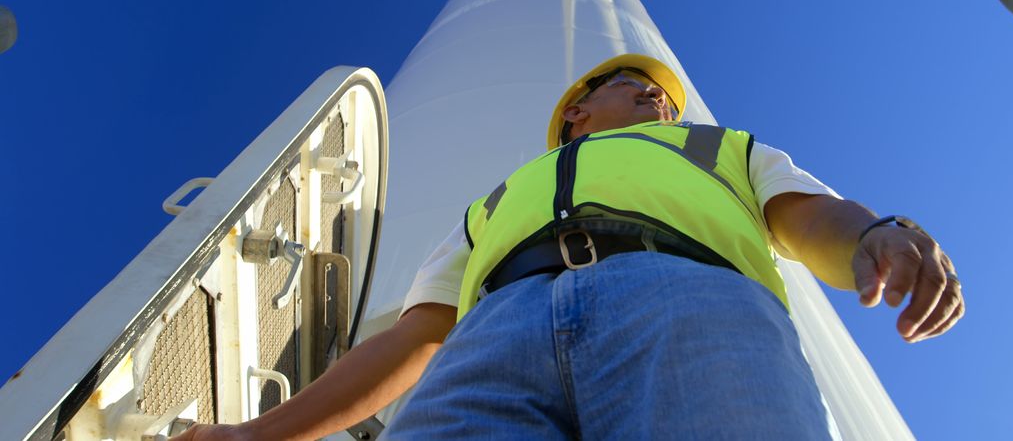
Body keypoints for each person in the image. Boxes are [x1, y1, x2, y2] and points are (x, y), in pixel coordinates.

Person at [174, 53, 964, 440]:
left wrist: (871, 235)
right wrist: (257, 435)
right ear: (579, 111)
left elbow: (804, 217)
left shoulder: (720, 149)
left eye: (663, 93)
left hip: (688, 307)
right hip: (492, 336)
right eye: (634, 82)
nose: (659, 94)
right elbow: (418, 337)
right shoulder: (493, 205)